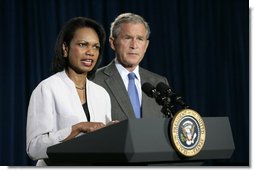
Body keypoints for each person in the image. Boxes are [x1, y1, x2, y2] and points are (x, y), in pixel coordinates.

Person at [26, 17, 114, 166]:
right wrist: (76, 129)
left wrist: (113, 132)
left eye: (96, 47)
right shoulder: (47, 88)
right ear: (65, 49)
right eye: (83, 45)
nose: (90, 52)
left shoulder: (102, 94)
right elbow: (34, 148)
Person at [92, 13, 170, 121]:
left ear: (146, 45)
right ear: (113, 43)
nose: (134, 45)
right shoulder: (95, 81)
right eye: (127, 38)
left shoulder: (159, 83)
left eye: (140, 39)